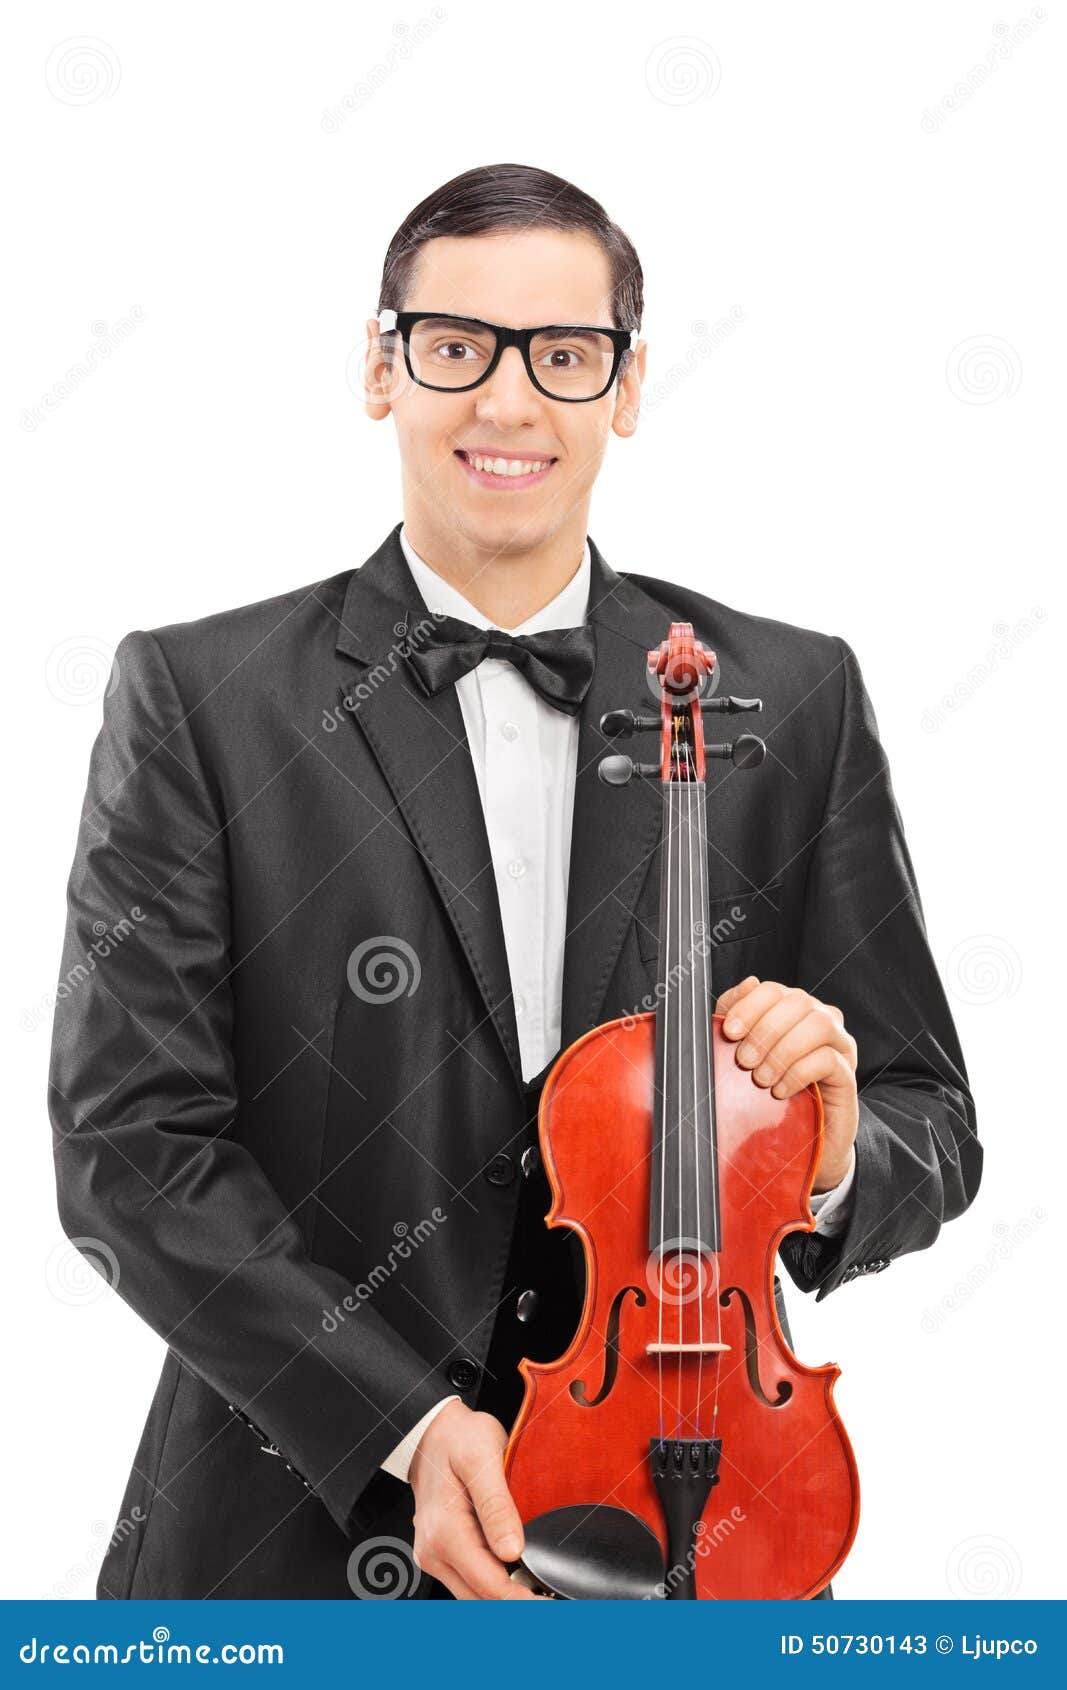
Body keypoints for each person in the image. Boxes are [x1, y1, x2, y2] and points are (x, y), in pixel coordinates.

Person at [48, 162, 981, 1601]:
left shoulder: (791, 697)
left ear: (627, 381)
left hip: (697, 1505)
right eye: (454, 344)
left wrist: (835, 1141)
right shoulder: (197, 696)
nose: (506, 400)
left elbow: (934, 1119)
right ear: (381, 366)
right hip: (281, 1542)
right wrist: (408, 1429)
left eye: (563, 353)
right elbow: (130, 1148)